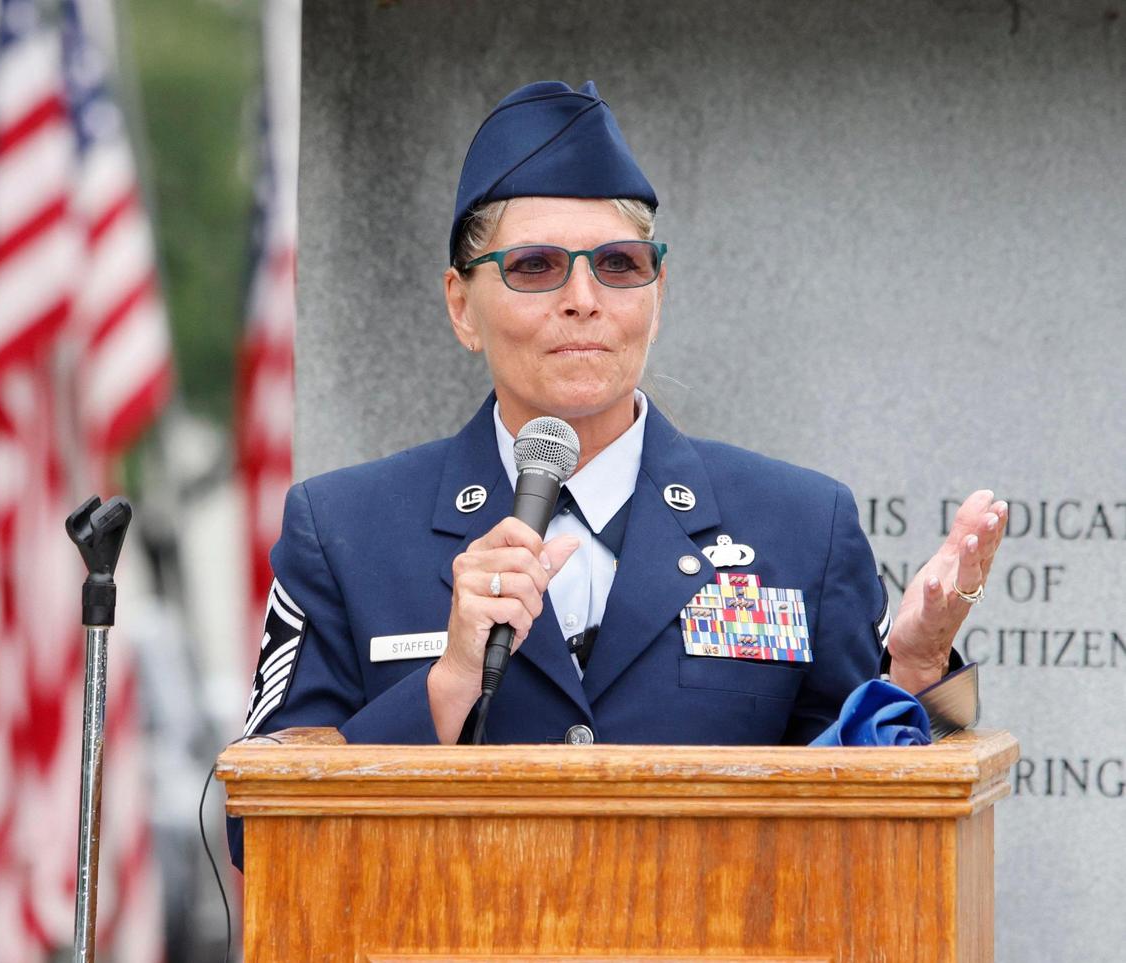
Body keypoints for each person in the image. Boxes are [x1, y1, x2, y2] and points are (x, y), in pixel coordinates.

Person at [233, 81, 1004, 862]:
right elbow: (254, 829)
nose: (583, 299)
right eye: (534, 266)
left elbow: (904, 812)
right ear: (462, 306)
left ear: (657, 295)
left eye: (618, 263)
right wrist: (447, 684)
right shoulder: (344, 530)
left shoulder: (802, 525)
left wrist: (916, 669)